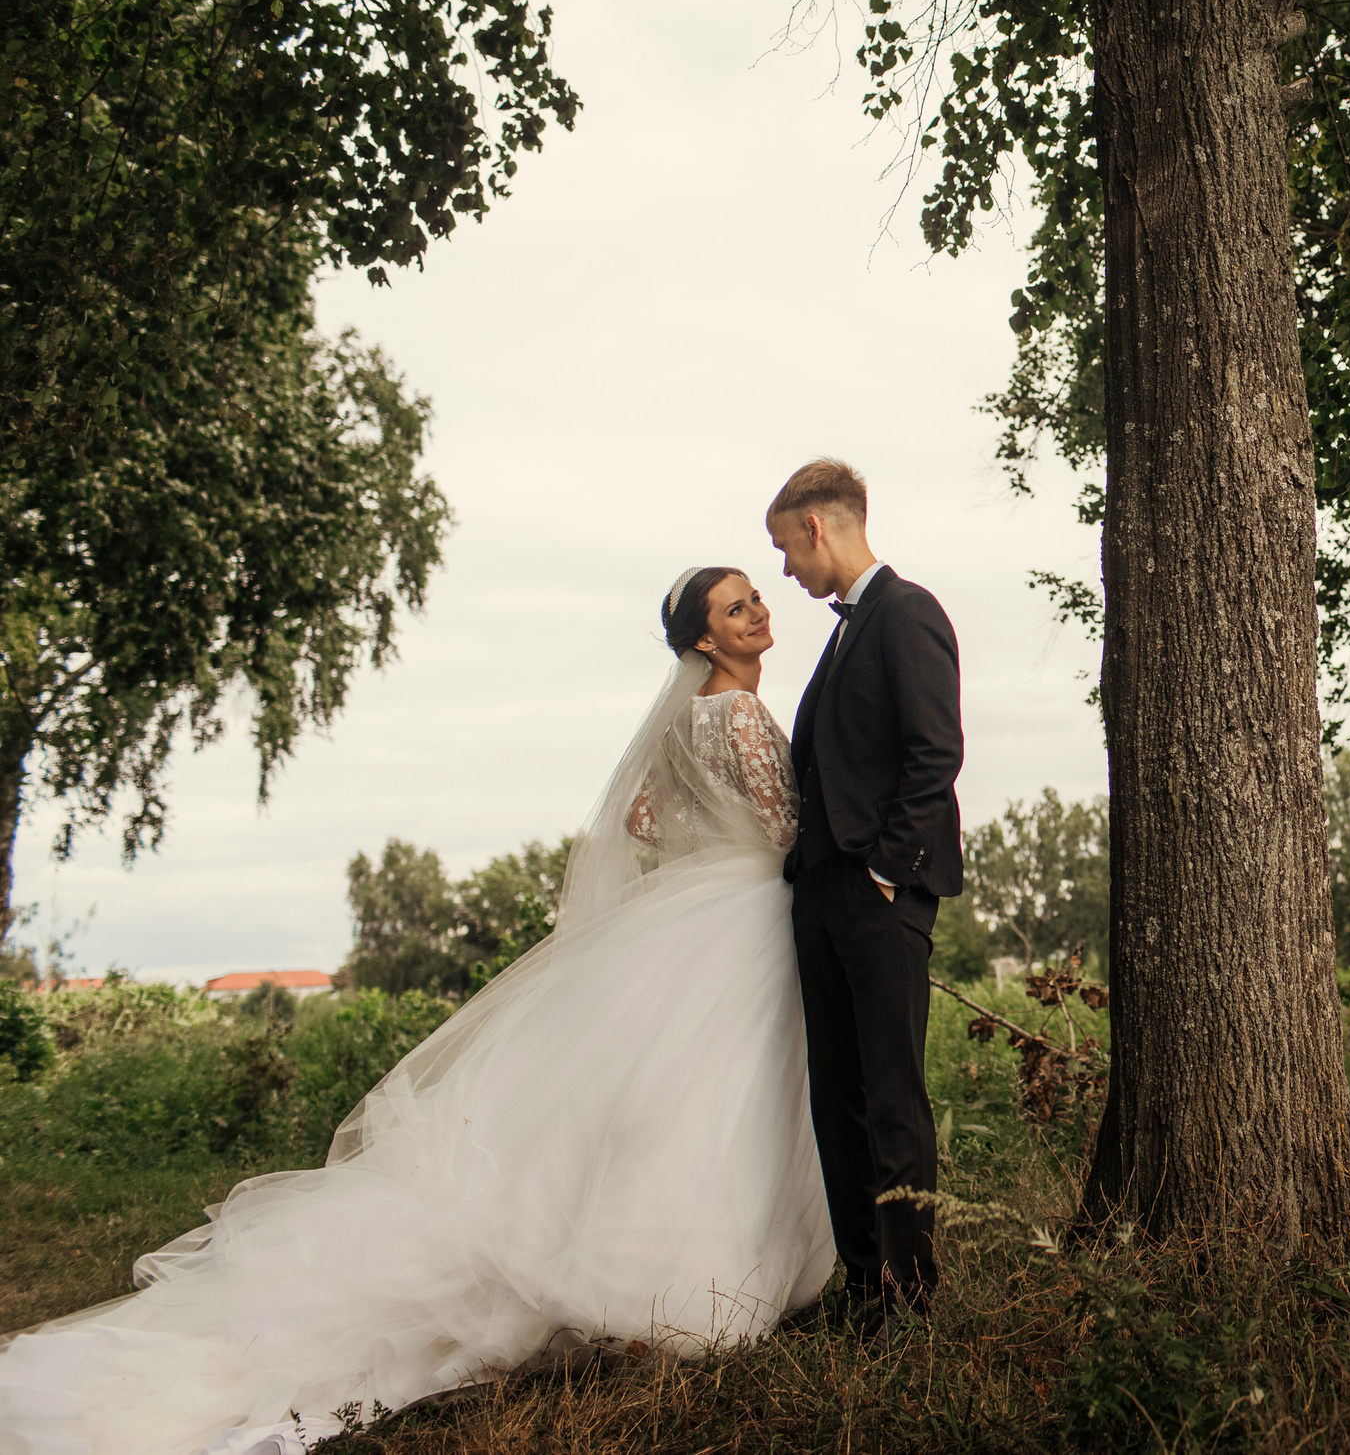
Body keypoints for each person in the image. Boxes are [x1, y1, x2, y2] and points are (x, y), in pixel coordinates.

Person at [0, 570, 833, 1455]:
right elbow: (784, 831)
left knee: (675, 1097)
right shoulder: (738, 713)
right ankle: (694, 1287)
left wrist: (704, 851)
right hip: (744, 914)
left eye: (754, 600)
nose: (759, 613)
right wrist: (760, 852)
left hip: (693, 913)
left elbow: (638, 817)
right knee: (721, 1096)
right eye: (737, 608)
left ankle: (641, 1279)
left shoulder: (682, 716)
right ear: (706, 640)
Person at [765, 459, 963, 1336]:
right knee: (834, 1095)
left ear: (817, 527)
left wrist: (887, 870)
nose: (785, 572)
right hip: (822, 893)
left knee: (891, 1097)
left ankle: (912, 1299)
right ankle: (862, 1286)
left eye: (783, 549)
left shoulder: (907, 611)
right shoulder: (843, 631)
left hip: (880, 893)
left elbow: (936, 753)